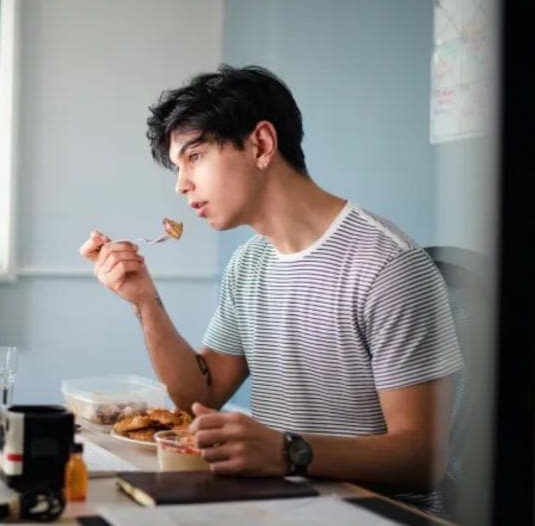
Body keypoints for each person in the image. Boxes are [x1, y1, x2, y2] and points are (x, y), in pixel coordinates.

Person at [79, 65, 463, 512]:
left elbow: (423, 458)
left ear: (261, 144)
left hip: (371, 512)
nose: (182, 185)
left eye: (195, 157)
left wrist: (287, 451)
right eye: (178, 167)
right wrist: (143, 299)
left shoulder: (387, 265)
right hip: (282, 501)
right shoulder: (251, 262)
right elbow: (200, 396)